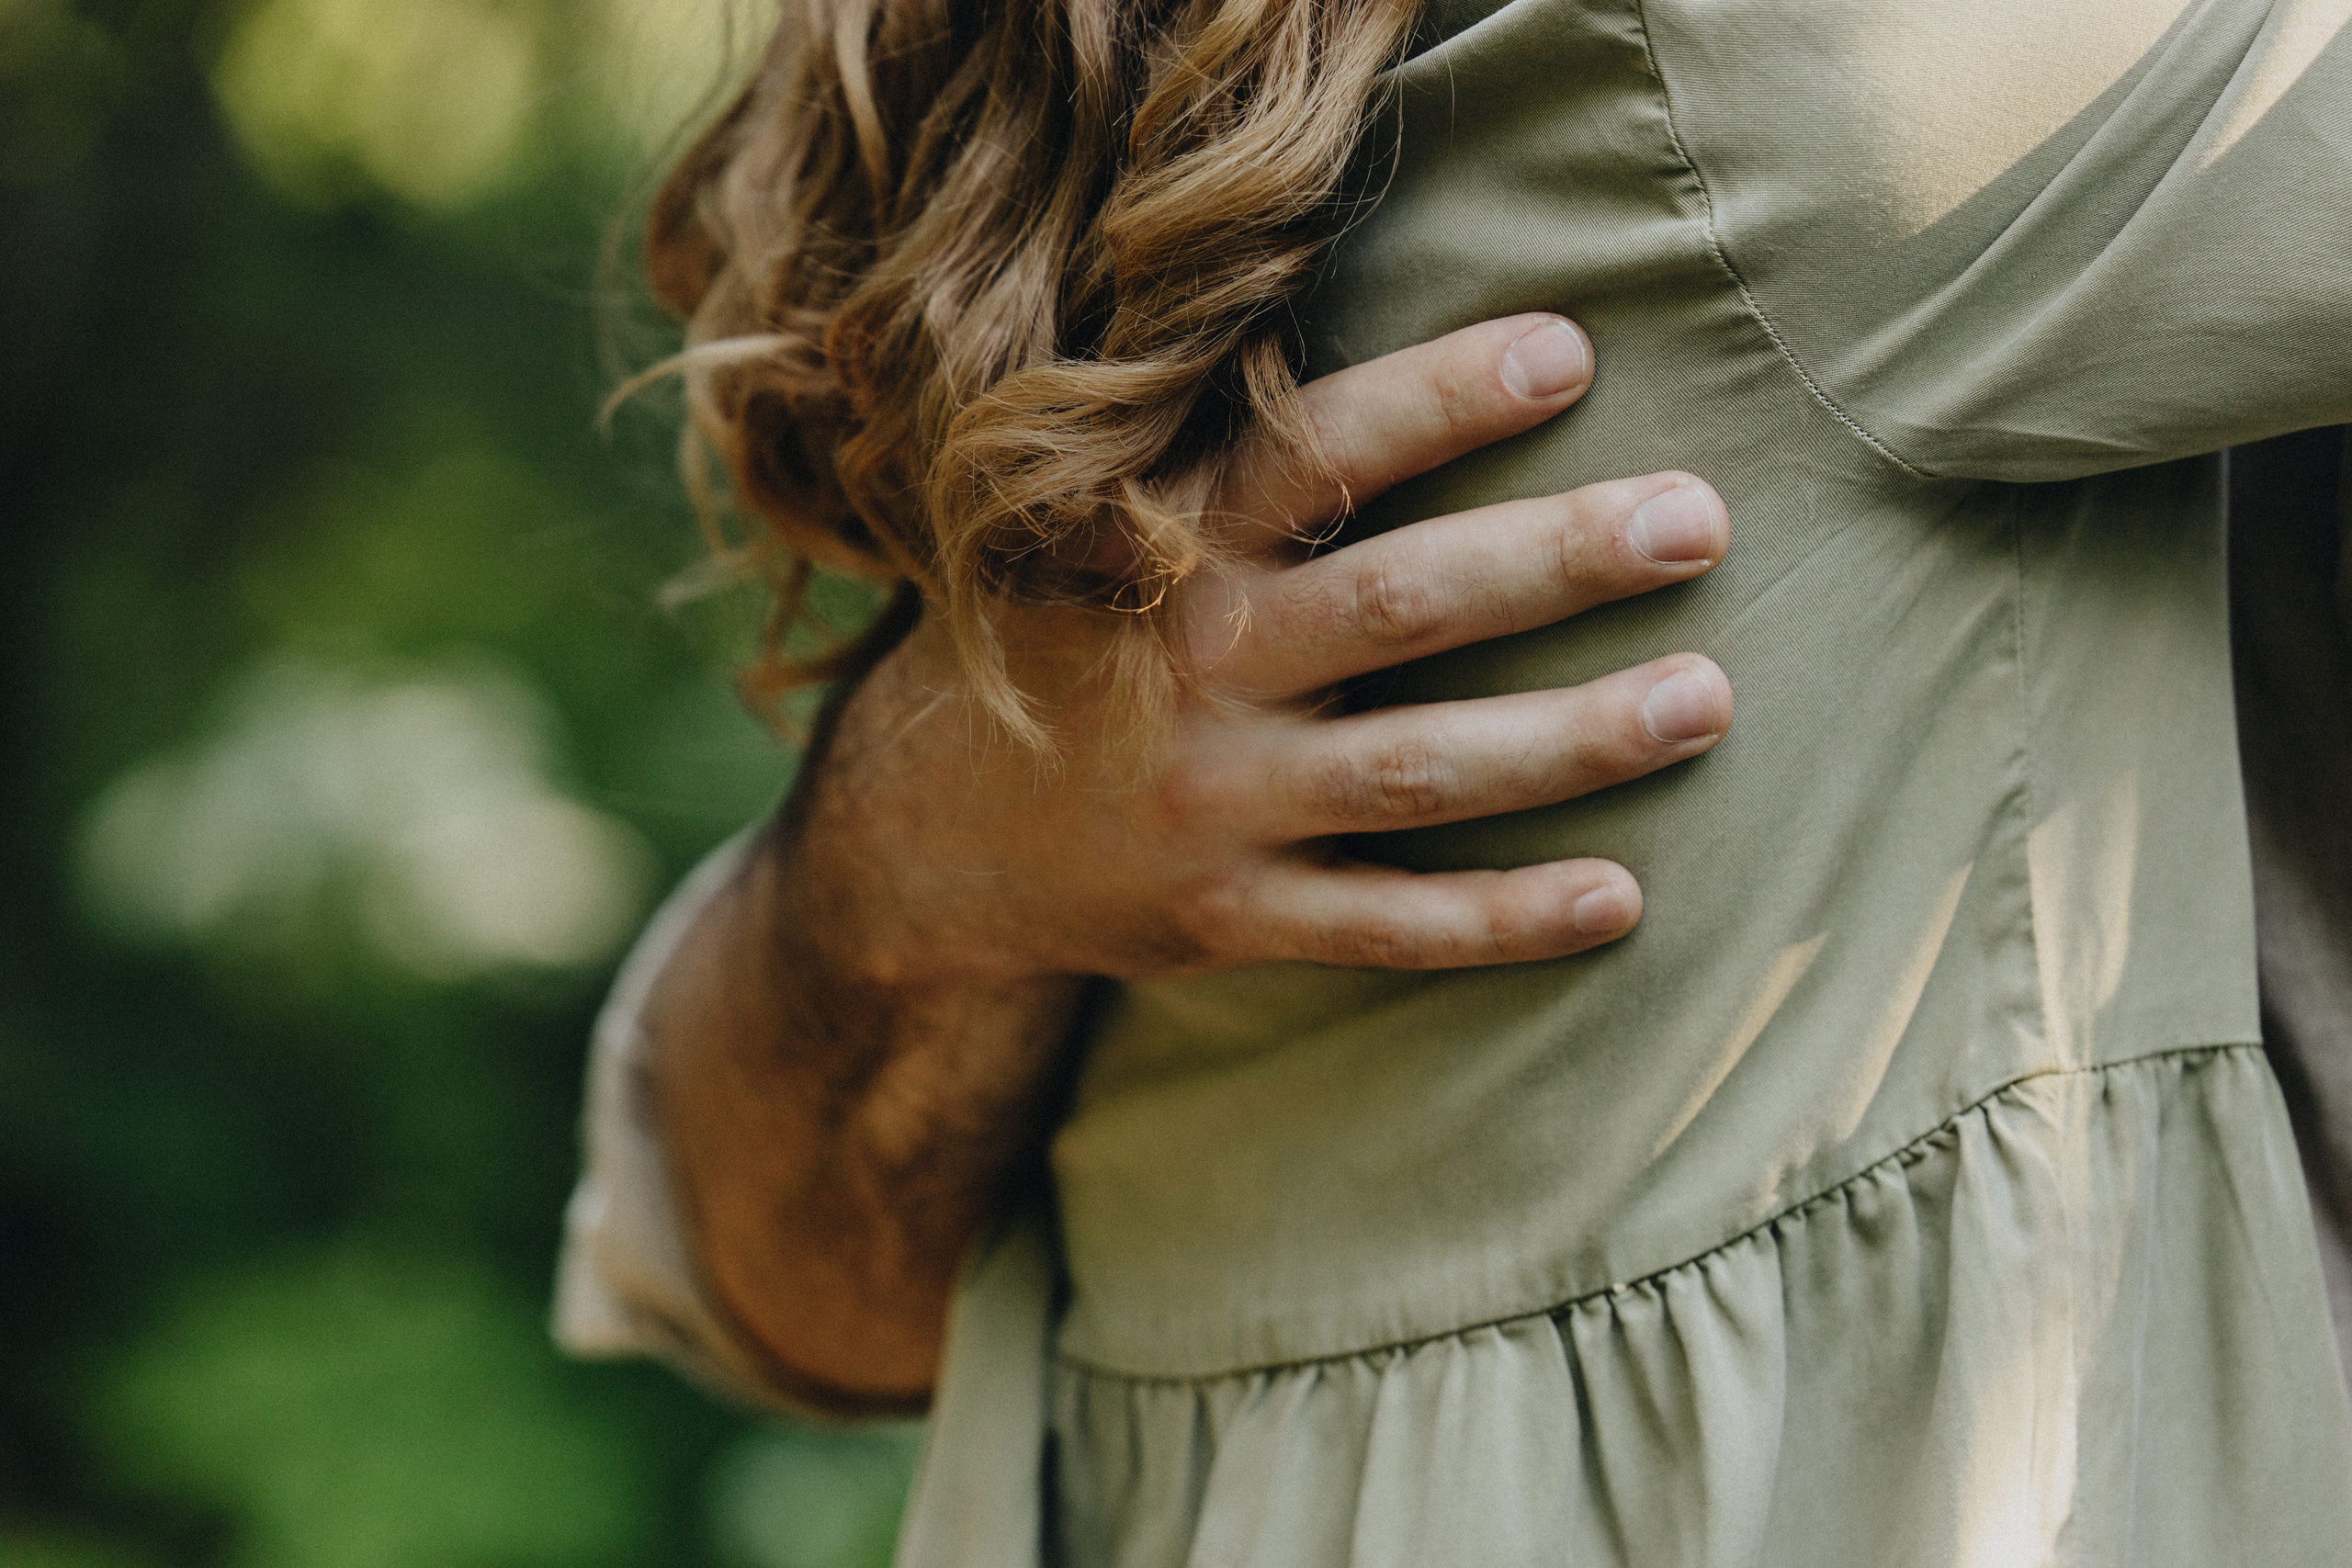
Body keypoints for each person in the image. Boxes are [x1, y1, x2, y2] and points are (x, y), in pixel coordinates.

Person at [558, 1, 2352, 1562]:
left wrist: (904, 855)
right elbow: (784, 1269)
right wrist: (911, 854)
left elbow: (775, 1281)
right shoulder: (1782, 71)